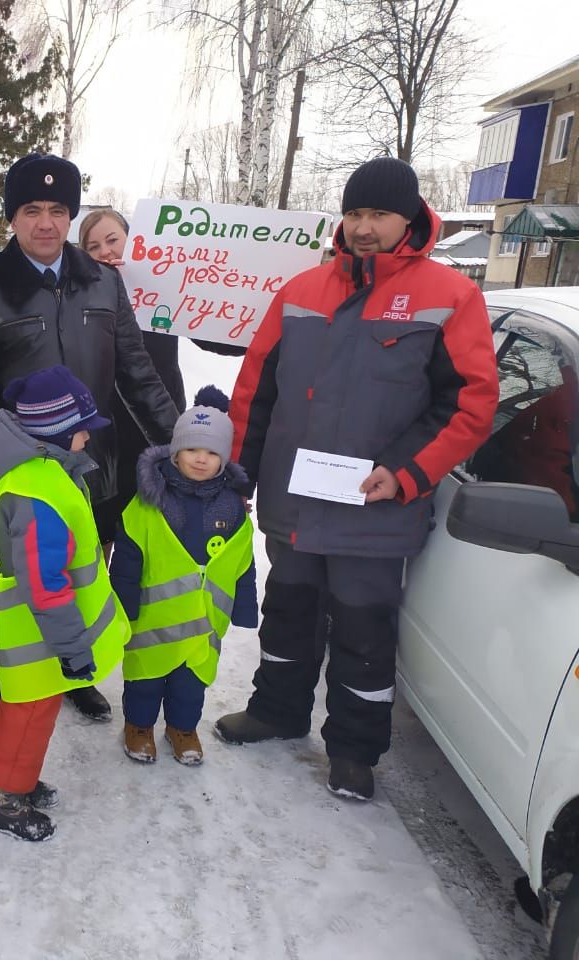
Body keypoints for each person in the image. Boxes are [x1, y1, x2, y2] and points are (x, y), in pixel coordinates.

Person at [215, 157, 499, 801]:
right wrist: (239, 474)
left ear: (410, 218)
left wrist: (405, 473)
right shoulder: (301, 292)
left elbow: (469, 404)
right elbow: (255, 393)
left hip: (376, 511)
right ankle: (278, 711)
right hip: (295, 503)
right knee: (287, 616)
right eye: (355, 213)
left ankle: (354, 748)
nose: (364, 227)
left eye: (378, 214)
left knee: (364, 633)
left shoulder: (450, 296)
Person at [0, 153, 179, 726]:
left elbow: (136, 370)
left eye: (58, 209)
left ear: (70, 214)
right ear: (12, 218)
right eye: (32, 210)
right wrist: (6, 447)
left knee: (81, 571)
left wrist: (178, 443)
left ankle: (73, 675)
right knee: (7, 579)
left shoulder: (103, 282)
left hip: (92, 465)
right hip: (18, 476)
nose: (46, 222)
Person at [0, 365, 131, 841]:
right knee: (26, 715)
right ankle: (2, 797)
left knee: (32, 714)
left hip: (40, 634)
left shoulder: (47, 475)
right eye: (81, 429)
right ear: (56, 433)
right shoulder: (37, 494)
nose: (87, 436)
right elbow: (46, 585)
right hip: (37, 636)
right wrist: (73, 646)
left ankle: (14, 781)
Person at [109, 386, 257, 765]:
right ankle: (138, 726)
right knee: (145, 678)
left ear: (224, 459)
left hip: (203, 623)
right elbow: (128, 556)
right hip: (152, 620)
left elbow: (241, 560)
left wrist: (243, 608)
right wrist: (123, 607)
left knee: (191, 684)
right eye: (192, 450)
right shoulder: (150, 501)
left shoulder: (232, 506)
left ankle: (182, 727)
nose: (201, 460)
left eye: (211, 453)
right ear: (175, 452)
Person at [78, 208, 248, 515]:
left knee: (154, 522)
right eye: (93, 247)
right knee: (101, 526)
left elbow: (211, 332)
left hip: (158, 422)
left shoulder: (162, 288)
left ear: (135, 241)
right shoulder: (80, 295)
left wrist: (253, 332)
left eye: (113, 239)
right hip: (103, 428)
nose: (105, 251)